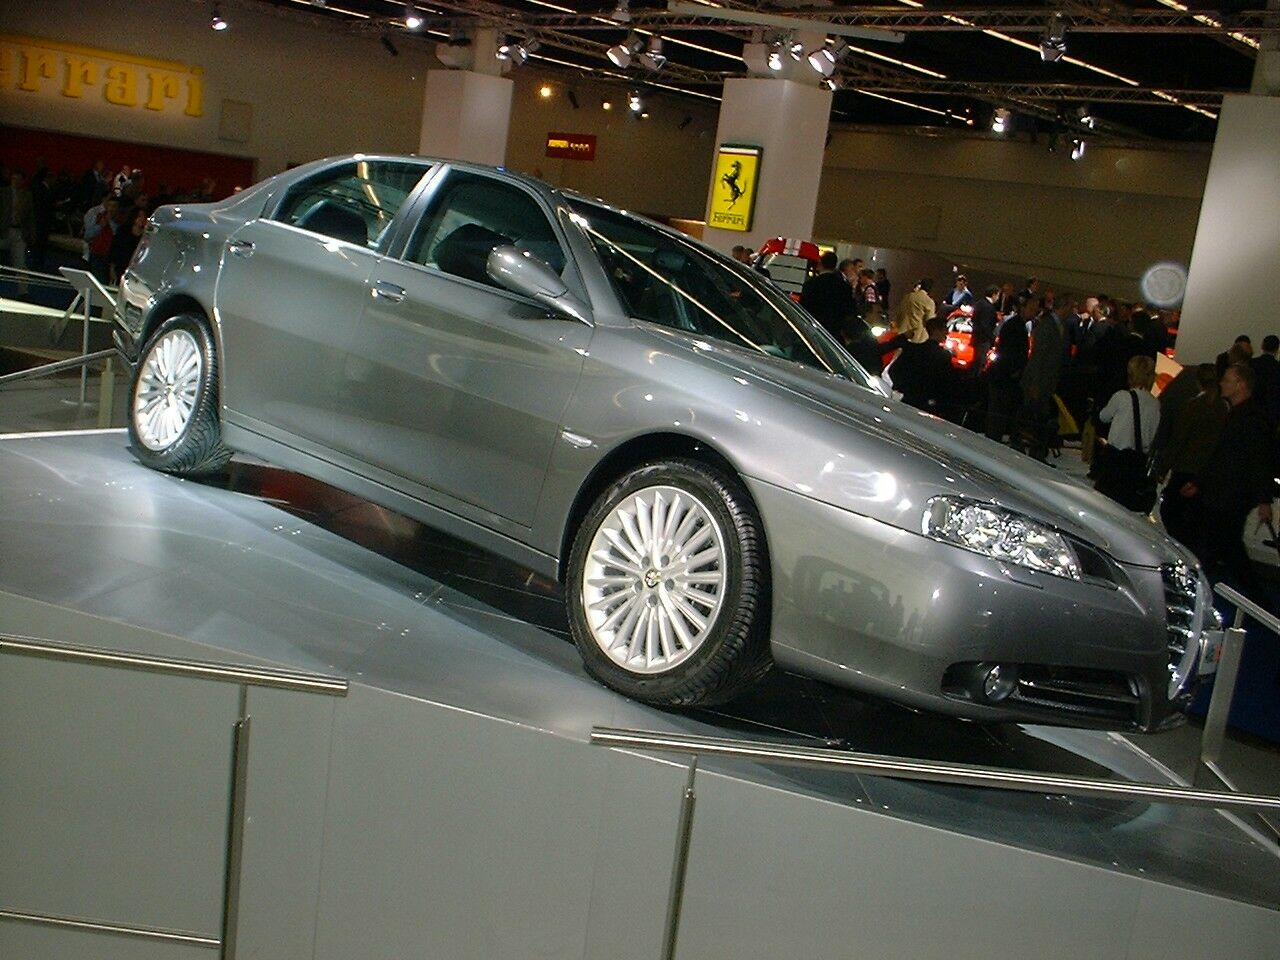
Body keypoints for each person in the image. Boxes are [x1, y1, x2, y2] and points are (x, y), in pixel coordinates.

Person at [1184, 363, 1275, 599]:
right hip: (1226, 493)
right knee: (1227, 550)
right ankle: (1258, 600)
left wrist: (1263, 499)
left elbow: (1257, 461)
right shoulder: (1243, 415)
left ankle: (1198, 594)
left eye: (1227, 380)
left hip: (1229, 495)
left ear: (1241, 385)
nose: (1222, 383)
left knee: (1216, 548)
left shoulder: (1250, 419)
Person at [1156, 364, 1228, 550]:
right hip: (1206, 470)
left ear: (1198, 382)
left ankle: (1180, 547)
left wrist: (1163, 467)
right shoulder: (1223, 408)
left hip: (1185, 466)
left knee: (1170, 510)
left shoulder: (1193, 406)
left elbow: (1179, 439)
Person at [1094, 355, 1161, 511]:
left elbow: (1104, 417)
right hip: (1137, 462)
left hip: (1115, 457)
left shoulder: (1121, 397)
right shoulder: (1155, 404)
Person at [1016, 298, 1065, 460]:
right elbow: (1038, 356)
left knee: (1037, 417)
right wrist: (1035, 384)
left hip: (1046, 382)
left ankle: (1033, 449)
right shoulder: (1048, 325)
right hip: (1038, 382)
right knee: (1032, 417)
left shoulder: (1057, 325)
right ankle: (1026, 448)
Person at [888, 316, 963, 418]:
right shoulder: (942, 356)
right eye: (944, 329)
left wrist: (903, 387)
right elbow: (947, 381)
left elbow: (894, 370)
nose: (947, 333)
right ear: (936, 331)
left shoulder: (913, 350)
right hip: (928, 404)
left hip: (908, 400)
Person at [984, 296, 1030, 442]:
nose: (1034, 312)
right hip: (1004, 376)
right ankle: (992, 439)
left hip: (1005, 376)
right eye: (1031, 309)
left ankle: (994, 437)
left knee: (1000, 413)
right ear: (1023, 308)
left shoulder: (1018, 325)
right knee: (998, 412)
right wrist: (1013, 370)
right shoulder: (1015, 326)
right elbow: (1009, 352)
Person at [799, 251, 853, 343]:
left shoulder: (811, 284)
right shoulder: (844, 286)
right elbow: (848, 309)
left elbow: (804, 307)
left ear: (820, 264)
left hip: (813, 329)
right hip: (834, 331)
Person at [0, 169, 35, 294]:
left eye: (18, 179)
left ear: (22, 181)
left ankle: (23, 291)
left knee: (21, 264)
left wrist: (31, 235)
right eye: (14, 179)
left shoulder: (27, 196)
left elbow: (30, 217)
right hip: (3, 230)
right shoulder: (3, 193)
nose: (16, 182)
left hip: (19, 232)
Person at [1249, 333, 1280, 424]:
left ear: (1262, 345)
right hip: (1273, 410)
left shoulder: (1252, 364)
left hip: (1253, 408)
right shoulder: (1277, 367)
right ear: (1277, 348)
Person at [893, 278, 935, 344]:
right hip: (917, 335)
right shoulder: (929, 301)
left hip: (902, 332)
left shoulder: (907, 297)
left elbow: (899, 313)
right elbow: (930, 320)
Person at [970, 284, 999, 368]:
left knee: (976, 361)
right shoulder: (988, 308)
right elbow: (985, 325)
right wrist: (992, 338)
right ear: (993, 295)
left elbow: (973, 319)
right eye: (997, 295)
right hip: (983, 339)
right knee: (980, 362)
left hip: (976, 336)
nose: (997, 298)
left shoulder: (979, 303)